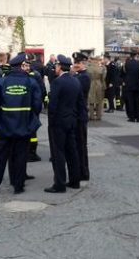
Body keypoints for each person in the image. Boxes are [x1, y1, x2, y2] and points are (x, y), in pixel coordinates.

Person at [0, 54, 42, 194]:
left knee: (0, 157)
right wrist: (31, 120)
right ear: (21, 66)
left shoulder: (2, 82)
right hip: (24, 126)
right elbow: (37, 105)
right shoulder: (31, 82)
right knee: (20, 157)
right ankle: (18, 186)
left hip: (5, 127)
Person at [45, 55, 83, 193]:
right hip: (71, 121)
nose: (55, 68)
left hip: (59, 122)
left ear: (60, 67)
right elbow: (80, 103)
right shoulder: (75, 81)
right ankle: (75, 181)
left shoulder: (57, 83)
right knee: (72, 151)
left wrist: (51, 122)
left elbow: (53, 105)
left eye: (56, 66)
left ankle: (59, 184)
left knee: (58, 153)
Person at [72, 52, 90, 181]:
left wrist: (72, 75)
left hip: (80, 115)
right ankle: (79, 171)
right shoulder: (78, 76)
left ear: (83, 64)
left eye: (78, 63)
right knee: (77, 145)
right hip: (76, 114)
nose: (75, 65)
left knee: (81, 145)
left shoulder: (84, 77)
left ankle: (83, 173)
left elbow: (76, 90)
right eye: (75, 63)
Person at [123, 53, 139, 122]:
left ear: (130, 56)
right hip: (138, 85)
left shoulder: (127, 64)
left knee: (131, 102)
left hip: (129, 85)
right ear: (136, 56)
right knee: (138, 102)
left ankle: (132, 117)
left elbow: (124, 73)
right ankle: (138, 117)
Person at [87, 56, 106, 121]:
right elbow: (103, 78)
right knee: (99, 100)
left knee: (91, 100)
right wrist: (104, 86)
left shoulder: (88, 68)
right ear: (98, 61)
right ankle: (98, 116)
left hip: (91, 83)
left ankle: (91, 116)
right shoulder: (101, 68)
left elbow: (87, 77)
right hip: (99, 84)